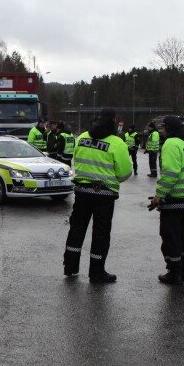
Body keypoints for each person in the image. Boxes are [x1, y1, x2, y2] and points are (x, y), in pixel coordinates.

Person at [63, 108, 133, 283]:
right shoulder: (117, 143)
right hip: (104, 194)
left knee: (76, 229)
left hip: (81, 192)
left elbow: (76, 161)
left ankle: (70, 267)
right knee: (100, 233)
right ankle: (96, 272)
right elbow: (125, 172)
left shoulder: (82, 138)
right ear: (113, 121)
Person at [151, 115, 184, 285]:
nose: (161, 131)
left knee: (171, 237)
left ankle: (174, 272)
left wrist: (159, 196)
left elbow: (171, 173)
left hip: (174, 200)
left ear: (168, 128)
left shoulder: (171, 144)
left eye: (162, 128)